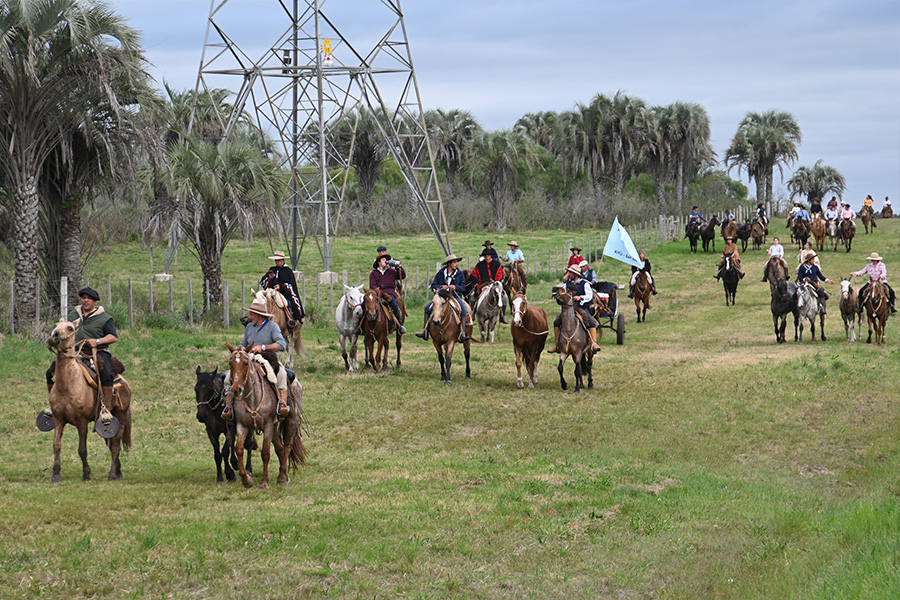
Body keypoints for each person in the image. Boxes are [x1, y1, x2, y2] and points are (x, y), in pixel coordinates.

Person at [43, 287, 120, 418]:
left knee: (106, 373)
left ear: (94, 301)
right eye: (84, 298)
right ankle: (53, 405)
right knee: (50, 372)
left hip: (97, 351)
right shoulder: (73, 315)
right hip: (74, 352)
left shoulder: (104, 318)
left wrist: (97, 341)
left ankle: (106, 409)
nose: (86, 300)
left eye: (89, 298)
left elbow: (113, 336)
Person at [221, 296, 291, 420]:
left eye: (252, 314)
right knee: (228, 378)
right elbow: (244, 343)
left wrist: (263, 347)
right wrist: (240, 349)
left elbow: (281, 344)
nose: (249, 316)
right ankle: (229, 406)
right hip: (249, 359)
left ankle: (282, 403)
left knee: (281, 374)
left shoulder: (272, 327)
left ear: (260, 315)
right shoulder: (249, 327)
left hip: (269, 358)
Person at [416, 254, 470, 342]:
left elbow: (463, 287)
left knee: (463, 309)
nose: (456, 264)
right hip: (441, 297)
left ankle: (462, 333)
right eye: (455, 262)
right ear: (449, 264)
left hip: (455, 297)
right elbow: (433, 285)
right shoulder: (441, 273)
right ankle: (425, 331)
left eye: (457, 262)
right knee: (427, 308)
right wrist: (441, 286)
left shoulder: (459, 274)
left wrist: (455, 287)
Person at [548, 265, 601, 354]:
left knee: (591, 322)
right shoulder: (567, 283)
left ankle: (593, 343)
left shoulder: (585, 283)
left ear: (575, 274)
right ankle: (557, 345)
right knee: (556, 322)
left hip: (581, 308)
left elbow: (589, 296)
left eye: (570, 272)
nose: (568, 274)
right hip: (568, 309)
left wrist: (580, 297)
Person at [259, 250, 304, 327]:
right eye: (276, 260)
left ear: (283, 260)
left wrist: (281, 287)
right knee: (260, 300)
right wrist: (269, 278)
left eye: (278, 260)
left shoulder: (287, 271)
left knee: (285, 303)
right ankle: (255, 318)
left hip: (283, 293)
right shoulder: (272, 269)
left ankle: (290, 319)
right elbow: (263, 281)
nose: (276, 262)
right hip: (270, 292)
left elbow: (290, 285)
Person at [369, 255, 407, 334]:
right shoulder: (374, 273)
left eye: (386, 260)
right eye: (383, 260)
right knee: (364, 305)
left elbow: (402, 276)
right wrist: (376, 289)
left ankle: (400, 325)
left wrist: (398, 267)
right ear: (379, 262)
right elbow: (372, 285)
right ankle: (360, 327)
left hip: (389, 292)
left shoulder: (391, 271)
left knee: (394, 304)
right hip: (376, 293)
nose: (385, 261)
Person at [469, 247, 508, 323]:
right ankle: (472, 314)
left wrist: (496, 284)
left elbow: (500, 276)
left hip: (495, 285)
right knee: (472, 295)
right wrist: (479, 285)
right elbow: (472, 276)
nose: (487, 257)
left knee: (505, 297)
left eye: (489, 256)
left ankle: (502, 316)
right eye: (486, 256)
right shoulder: (479, 265)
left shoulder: (497, 264)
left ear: (491, 256)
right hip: (482, 285)